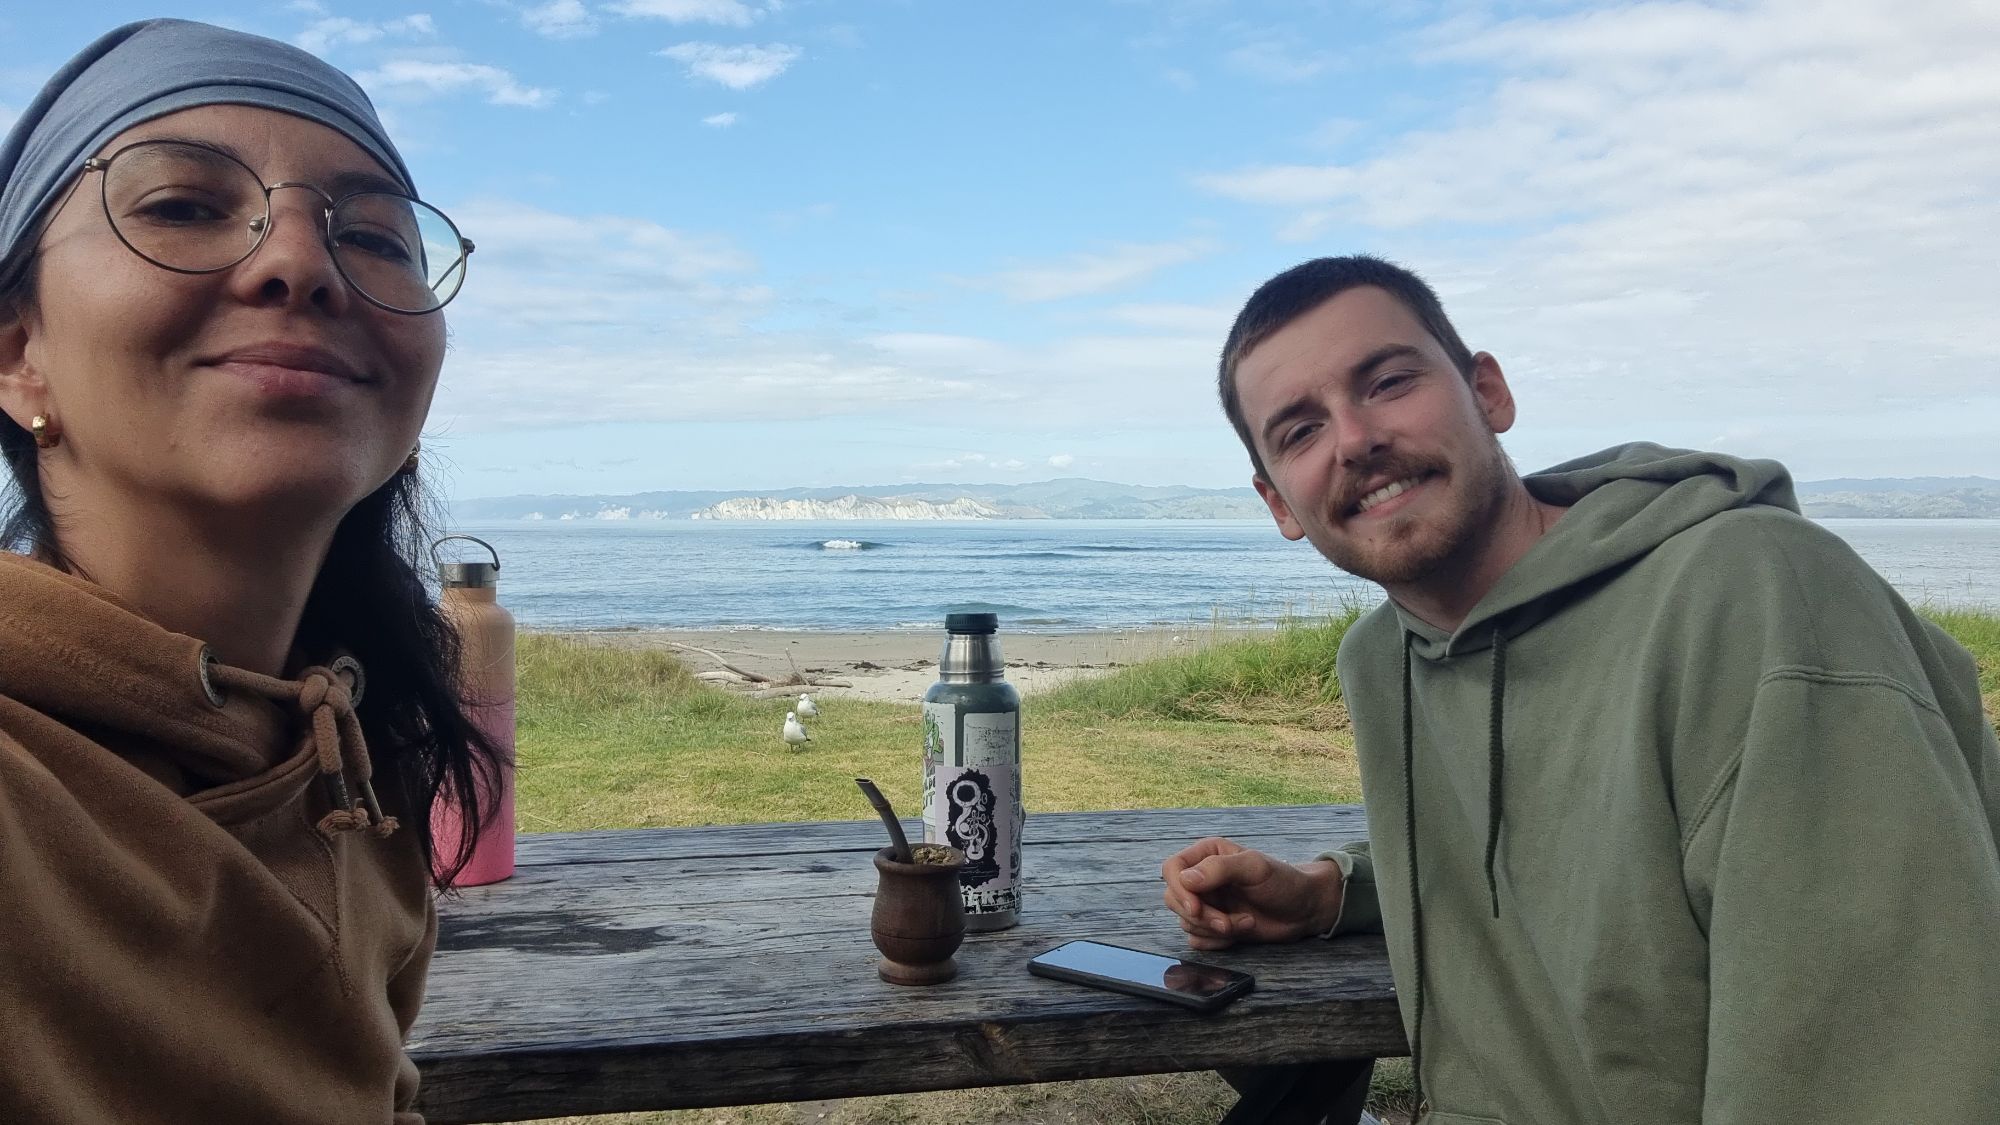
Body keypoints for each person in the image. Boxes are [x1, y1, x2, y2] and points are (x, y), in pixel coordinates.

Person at [1162, 255, 2000, 1123]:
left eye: (1389, 382)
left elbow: (1885, 1061)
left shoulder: (1757, 595)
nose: (1354, 438)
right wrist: (1332, 892)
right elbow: (1575, 850)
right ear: (1278, 503)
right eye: (1301, 430)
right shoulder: (1384, 658)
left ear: (1487, 392)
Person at [0, 19, 502, 1124]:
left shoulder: (354, 764)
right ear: (17, 350)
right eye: (182, 206)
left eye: (372, 237)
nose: (301, 264)